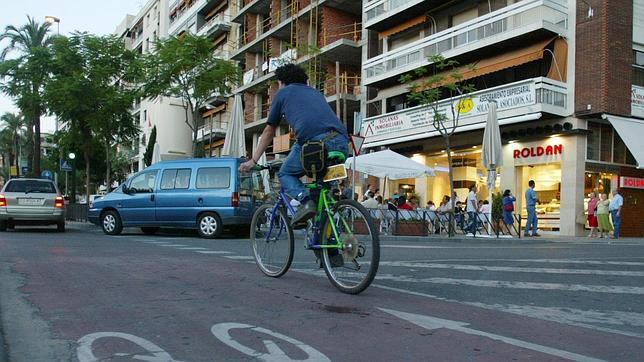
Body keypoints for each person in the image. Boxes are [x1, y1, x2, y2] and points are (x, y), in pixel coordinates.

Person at [239, 64, 349, 229]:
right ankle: (328, 248)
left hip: (315, 144)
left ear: (282, 82)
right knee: (321, 194)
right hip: (341, 142)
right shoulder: (315, 93)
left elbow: (269, 130)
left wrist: (253, 160)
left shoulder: (283, 93)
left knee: (285, 173)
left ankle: (305, 202)